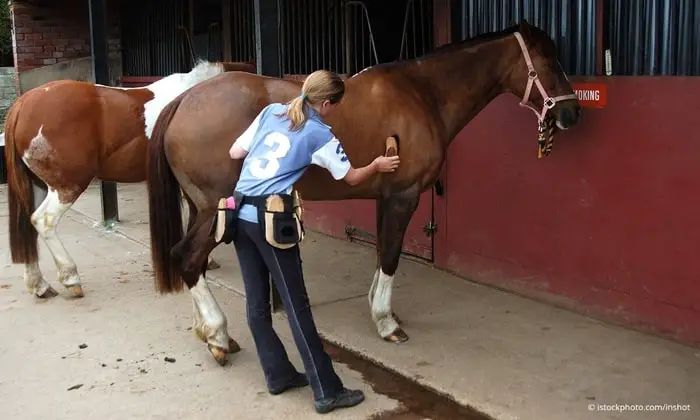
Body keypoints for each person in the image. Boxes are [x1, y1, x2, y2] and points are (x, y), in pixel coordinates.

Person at [226, 69, 400, 414]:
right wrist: (377, 165)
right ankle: (326, 391)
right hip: (271, 220)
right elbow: (350, 178)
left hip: (238, 214)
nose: (335, 110)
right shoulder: (320, 134)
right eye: (335, 104)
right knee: (296, 305)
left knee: (258, 302)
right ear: (325, 103)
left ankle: (278, 375)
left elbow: (235, 152)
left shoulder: (270, 112)